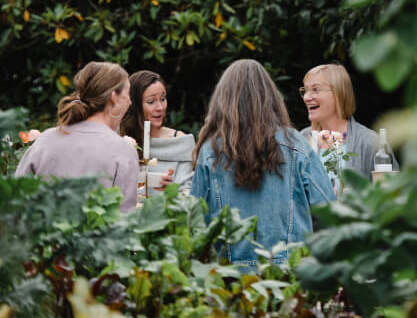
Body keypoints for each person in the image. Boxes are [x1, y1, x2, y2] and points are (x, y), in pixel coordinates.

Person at [190, 59, 335, 269]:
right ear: (271, 98)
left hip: (227, 280)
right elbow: (329, 210)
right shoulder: (296, 145)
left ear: (223, 100)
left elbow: (195, 221)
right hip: (289, 279)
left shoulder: (210, 151)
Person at [15, 61, 171, 212]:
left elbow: (15, 201)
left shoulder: (46, 140)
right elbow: (123, 222)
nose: (130, 103)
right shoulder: (122, 150)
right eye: (127, 95)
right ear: (113, 98)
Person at [300, 63, 399, 180]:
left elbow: (391, 193)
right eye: (305, 91)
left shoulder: (371, 143)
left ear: (338, 93)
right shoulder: (301, 139)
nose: (306, 97)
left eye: (315, 89)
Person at [120, 70, 195, 195]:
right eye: (151, 102)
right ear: (134, 105)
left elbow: (187, 194)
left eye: (163, 99)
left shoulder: (180, 141)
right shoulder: (123, 140)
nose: (160, 107)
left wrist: (171, 191)